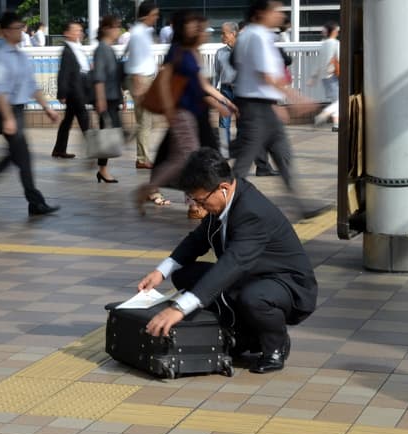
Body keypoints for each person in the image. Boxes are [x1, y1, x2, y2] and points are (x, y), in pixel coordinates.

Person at [139, 148, 317, 374]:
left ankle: (275, 344)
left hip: (286, 284)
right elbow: (197, 241)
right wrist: (160, 272)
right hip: (250, 275)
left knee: (253, 298)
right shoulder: (226, 200)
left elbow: (231, 264)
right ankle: (243, 332)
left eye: (201, 201)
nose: (198, 207)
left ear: (222, 188)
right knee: (185, 275)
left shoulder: (252, 212)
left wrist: (179, 309)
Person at [136, 11, 234, 218]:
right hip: (184, 115)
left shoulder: (192, 51)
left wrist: (223, 102)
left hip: (196, 114)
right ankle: (161, 192)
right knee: (187, 161)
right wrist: (170, 111)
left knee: (185, 160)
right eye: (192, 25)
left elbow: (202, 85)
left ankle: (188, 200)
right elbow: (164, 81)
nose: (199, 30)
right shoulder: (178, 51)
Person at [0, 11, 61, 216]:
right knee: (23, 158)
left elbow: (32, 86)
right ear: (6, 31)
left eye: (22, 27)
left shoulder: (21, 55)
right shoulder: (0, 56)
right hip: (5, 111)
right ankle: (35, 202)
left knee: (13, 157)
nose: (22, 31)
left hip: (17, 111)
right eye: (18, 28)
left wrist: (48, 108)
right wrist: (7, 118)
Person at [231, 0, 317, 218]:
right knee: (243, 164)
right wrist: (297, 98)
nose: (280, 14)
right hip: (255, 110)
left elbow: (246, 71)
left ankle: (301, 206)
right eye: (276, 10)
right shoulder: (257, 36)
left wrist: (273, 105)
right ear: (261, 13)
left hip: (261, 108)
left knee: (282, 155)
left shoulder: (250, 35)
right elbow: (266, 75)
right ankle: (222, 205)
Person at [125, 1, 160, 169]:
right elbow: (137, 60)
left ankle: (141, 155)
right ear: (146, 15)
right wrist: (139, 87)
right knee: (144, 121)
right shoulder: (139, 33)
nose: (156, 18)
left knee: (146, 121)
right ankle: (142, 158)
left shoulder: (143, 32)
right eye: (154, 15)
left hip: (146, 79)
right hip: (141, 81)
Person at [52, 21, 90, 160]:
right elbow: (64, 73)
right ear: (67, 33)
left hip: (80, 86)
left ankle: (59, 149)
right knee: (84, 117)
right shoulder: (67, 51)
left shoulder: (77, 47)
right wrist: (61, 93)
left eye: (80, 30)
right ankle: (94, 148)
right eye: (75, 30)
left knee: (67, 120)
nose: (78, 32)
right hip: (74, 89)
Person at [92, 15, 123, 183]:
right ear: (106, 29)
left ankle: (101, 168)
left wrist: (121, 95)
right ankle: (101, 168)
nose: (118, 30)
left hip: (112, 97)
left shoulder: (109, 49)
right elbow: (99, 77)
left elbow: (114, 76)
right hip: (106, 99)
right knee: (110, 135)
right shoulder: (102, 49)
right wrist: (100, 99)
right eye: (115, 27)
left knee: (111, 134)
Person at [309, 21, 340, 132]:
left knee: (335, 100)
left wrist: (313, 77)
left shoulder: (323, 44)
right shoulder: (336, 43)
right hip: (333, 75)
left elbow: (318, 63)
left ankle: (336, 124)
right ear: (334, 31)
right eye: (337, 30)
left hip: (324, 77)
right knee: (340, 101)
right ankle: (323, 115)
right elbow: (339, 58)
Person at [214, 22, 238, 153]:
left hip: (241, 91)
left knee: (243, 123)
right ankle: (225, 152)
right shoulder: (220, 53)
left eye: (223, 33)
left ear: (233, 34)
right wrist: (213, 92)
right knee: (224, 123)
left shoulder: (243, 50)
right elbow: (216, 74)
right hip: (225, 91)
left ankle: (242, 150)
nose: (221, 36)